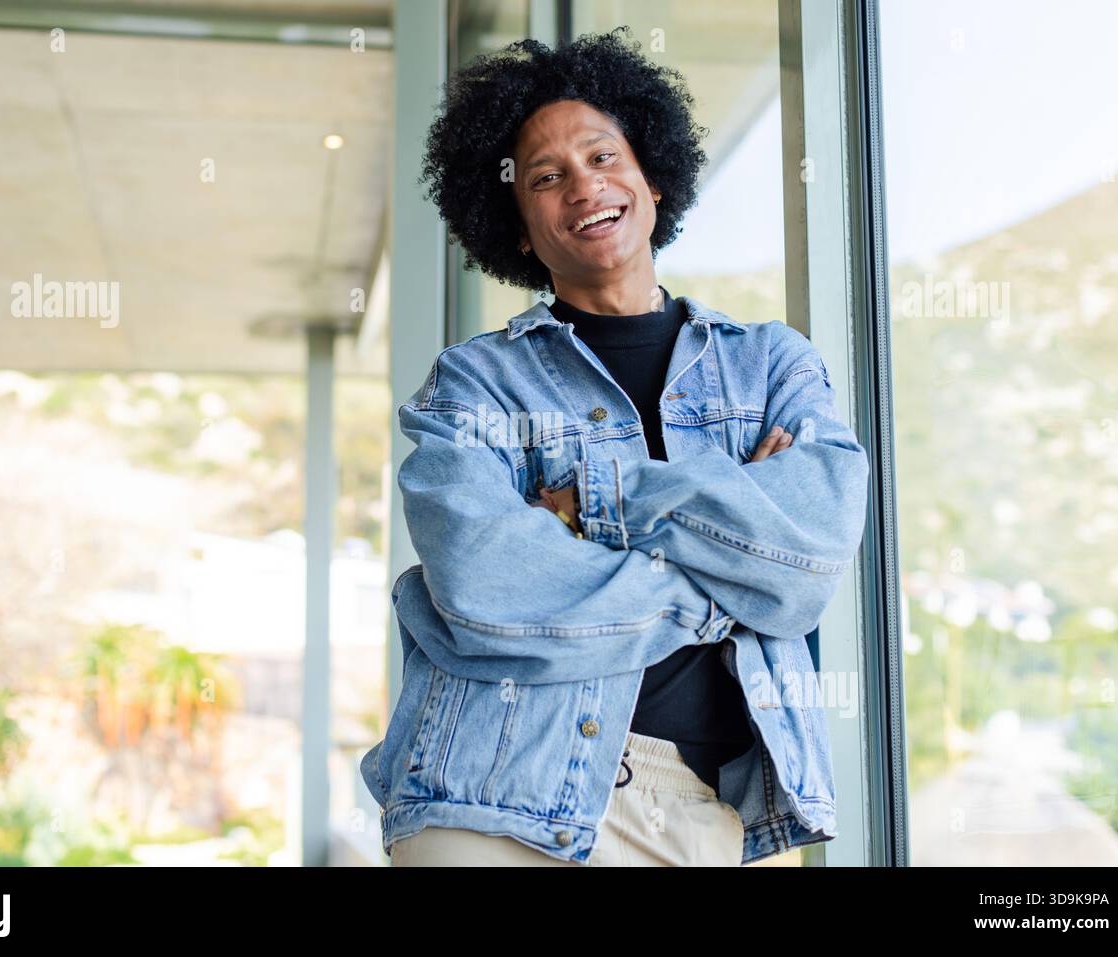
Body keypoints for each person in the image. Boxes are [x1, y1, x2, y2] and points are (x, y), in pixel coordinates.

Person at [360, 27, 870, 866]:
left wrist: (591, 505)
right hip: (491, 796)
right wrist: (726, 575)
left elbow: (807, 559)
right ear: (518, 226)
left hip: (702, 808)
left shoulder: (771, 361)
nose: (583, 187)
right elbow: (487, 584)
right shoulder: (471, 386)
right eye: (546, 177)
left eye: (603, 158)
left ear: (653, 177)